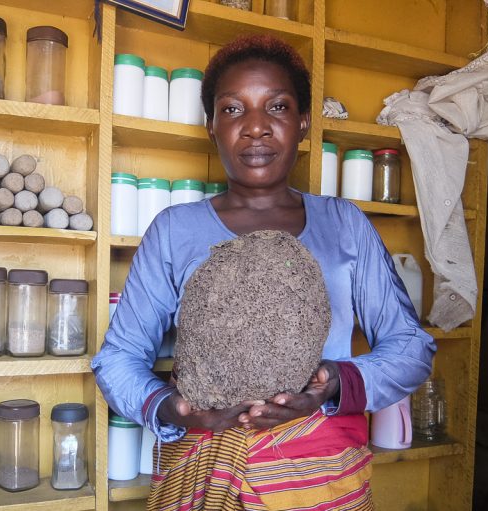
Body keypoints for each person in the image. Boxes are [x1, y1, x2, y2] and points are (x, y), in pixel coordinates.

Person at [92, 34, 435, 510]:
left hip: (321, 474)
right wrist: (174, 409)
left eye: (277, 106)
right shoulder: (174, 230)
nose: (256, 127)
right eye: (233, 109)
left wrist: (334, 381)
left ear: (302, 122)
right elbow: (119, 358)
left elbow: (412, 347)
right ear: (212, 125)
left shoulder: (344, 224)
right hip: (203, 467)